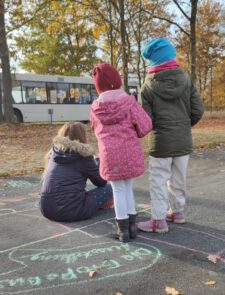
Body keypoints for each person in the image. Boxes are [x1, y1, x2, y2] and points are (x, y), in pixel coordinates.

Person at [137, 37, 204, 233]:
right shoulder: (186, 80)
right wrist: (183, 125)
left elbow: (146, 120)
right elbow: (198, 110)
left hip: (161, 143)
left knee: (158, 180)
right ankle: (178, 212)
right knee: (178, 178)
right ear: (170, 56)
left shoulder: (147, 86)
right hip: (183, 140)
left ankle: (158, 220)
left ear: (152, 61)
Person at [90, 63, 152, 242]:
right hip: (130, 152)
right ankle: (132, 226)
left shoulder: (95, 108)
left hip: (110, 155)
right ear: (117, 81)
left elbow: (95, 129)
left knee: (117, 190)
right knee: (128, 188)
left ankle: (123, 231)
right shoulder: (129, 103)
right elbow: (145, 125)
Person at [40, 121, 113, 222]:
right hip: (70, 212)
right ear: (82, 137)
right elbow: (101, 182)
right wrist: (98, 160)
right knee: (110, 188)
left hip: (46, 209)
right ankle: (97, 207)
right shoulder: (83, 156)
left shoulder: (54, 152)